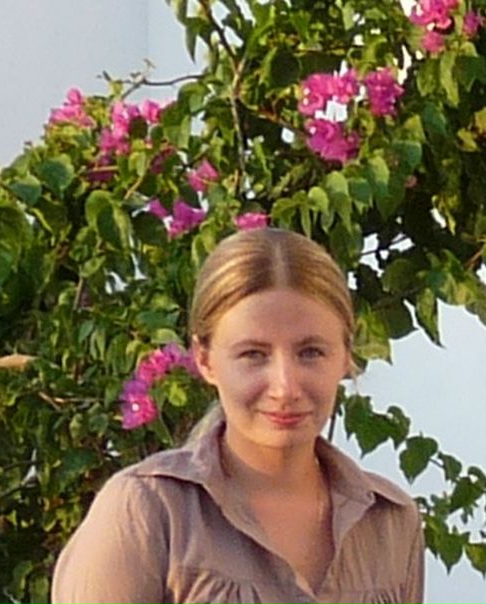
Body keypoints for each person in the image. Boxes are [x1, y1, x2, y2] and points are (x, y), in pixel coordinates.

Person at [52, 228, 424, 604]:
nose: (285, 387)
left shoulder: (391, 524)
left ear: (345, 355)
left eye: (310, 352)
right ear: (205, 359)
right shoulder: (147, 510)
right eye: (253, 355)